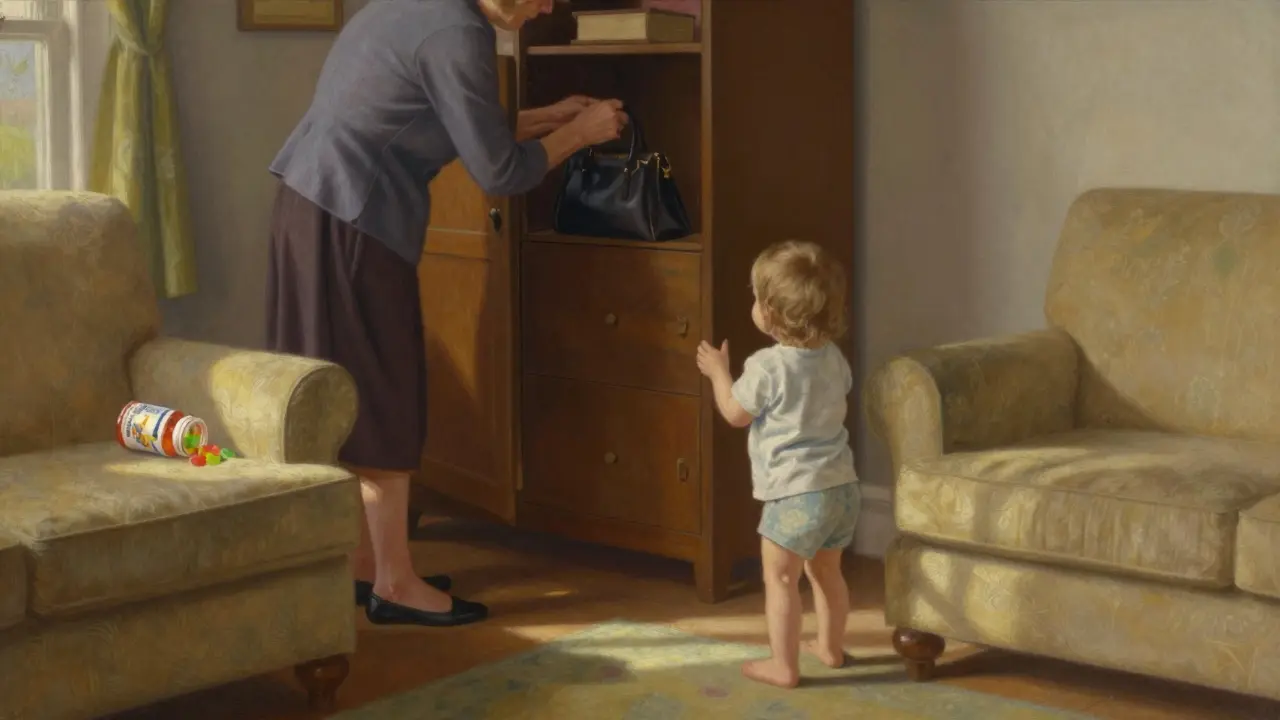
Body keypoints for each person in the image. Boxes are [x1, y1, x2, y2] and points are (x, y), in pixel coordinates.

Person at [265, 0, 628, 628]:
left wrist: (546, 118)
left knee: (341, 389)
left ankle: (362, 562)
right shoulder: (460, 31)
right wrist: (580, 134)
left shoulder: (417, 7)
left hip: (314, 204)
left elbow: (454, 123)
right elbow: (499, 171)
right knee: (383, 389)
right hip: (356, 216)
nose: (546, 6)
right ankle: (396, 584)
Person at [695, 241, 860, 688]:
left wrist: (718, 373)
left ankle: (783, 666)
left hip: (795, 493)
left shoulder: (767, 367)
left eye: (755, 298)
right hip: (841, 488)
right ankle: (830, 647)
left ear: (769, 313)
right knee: (827, 571)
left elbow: (734, 412)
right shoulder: (834, 359)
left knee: (780, 577)